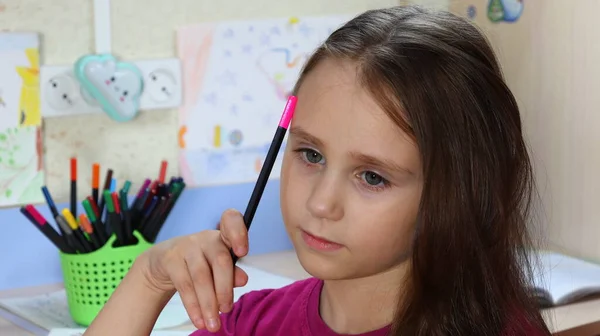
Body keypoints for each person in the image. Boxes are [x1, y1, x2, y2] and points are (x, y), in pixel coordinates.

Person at [84, 5, 551, 336]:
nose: (320, 203)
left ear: (458, 191)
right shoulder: (250, 322)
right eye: (310, 154)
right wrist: (149, 278)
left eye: (372, 177)